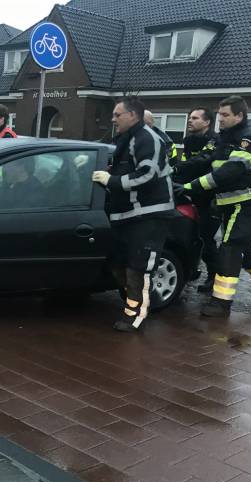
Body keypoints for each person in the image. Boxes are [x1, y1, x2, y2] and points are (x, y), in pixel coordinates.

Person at [181, 95, 251, 317]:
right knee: (242, 245)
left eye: (226, 115)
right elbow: (205, 161)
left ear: (240, 115)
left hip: (247, 201)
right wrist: (175, 173)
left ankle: (221, 303)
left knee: (230, 248)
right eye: (219, 114)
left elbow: (231, 171)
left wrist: (190, 187)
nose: (221, 119)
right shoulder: (224, 138)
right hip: (229, 202)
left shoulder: (250, 137)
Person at [91, 97, 175, 332]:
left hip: (149, 215)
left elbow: (148, 174)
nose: (113, 118)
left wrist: (113, 180)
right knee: (119, 264)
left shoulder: (148, 138)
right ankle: (133, 305)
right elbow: (126, 168)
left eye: (118, 115)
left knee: (139, 268)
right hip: (127, 215)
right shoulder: (127, 138)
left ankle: (136, 316)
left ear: (133, 116)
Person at [173, 107, 221, 293]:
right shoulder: (189, 140)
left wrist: (177, 169)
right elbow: (187, 166)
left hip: (212, 197)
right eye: (189, 117)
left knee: (207, 238)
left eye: (194, 118)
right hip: (193, 194)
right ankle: (192, 269)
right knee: (194, 235)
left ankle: (214, 276)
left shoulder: (214, 141)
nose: (189, 121)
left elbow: (203, 160)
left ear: (207, 122)